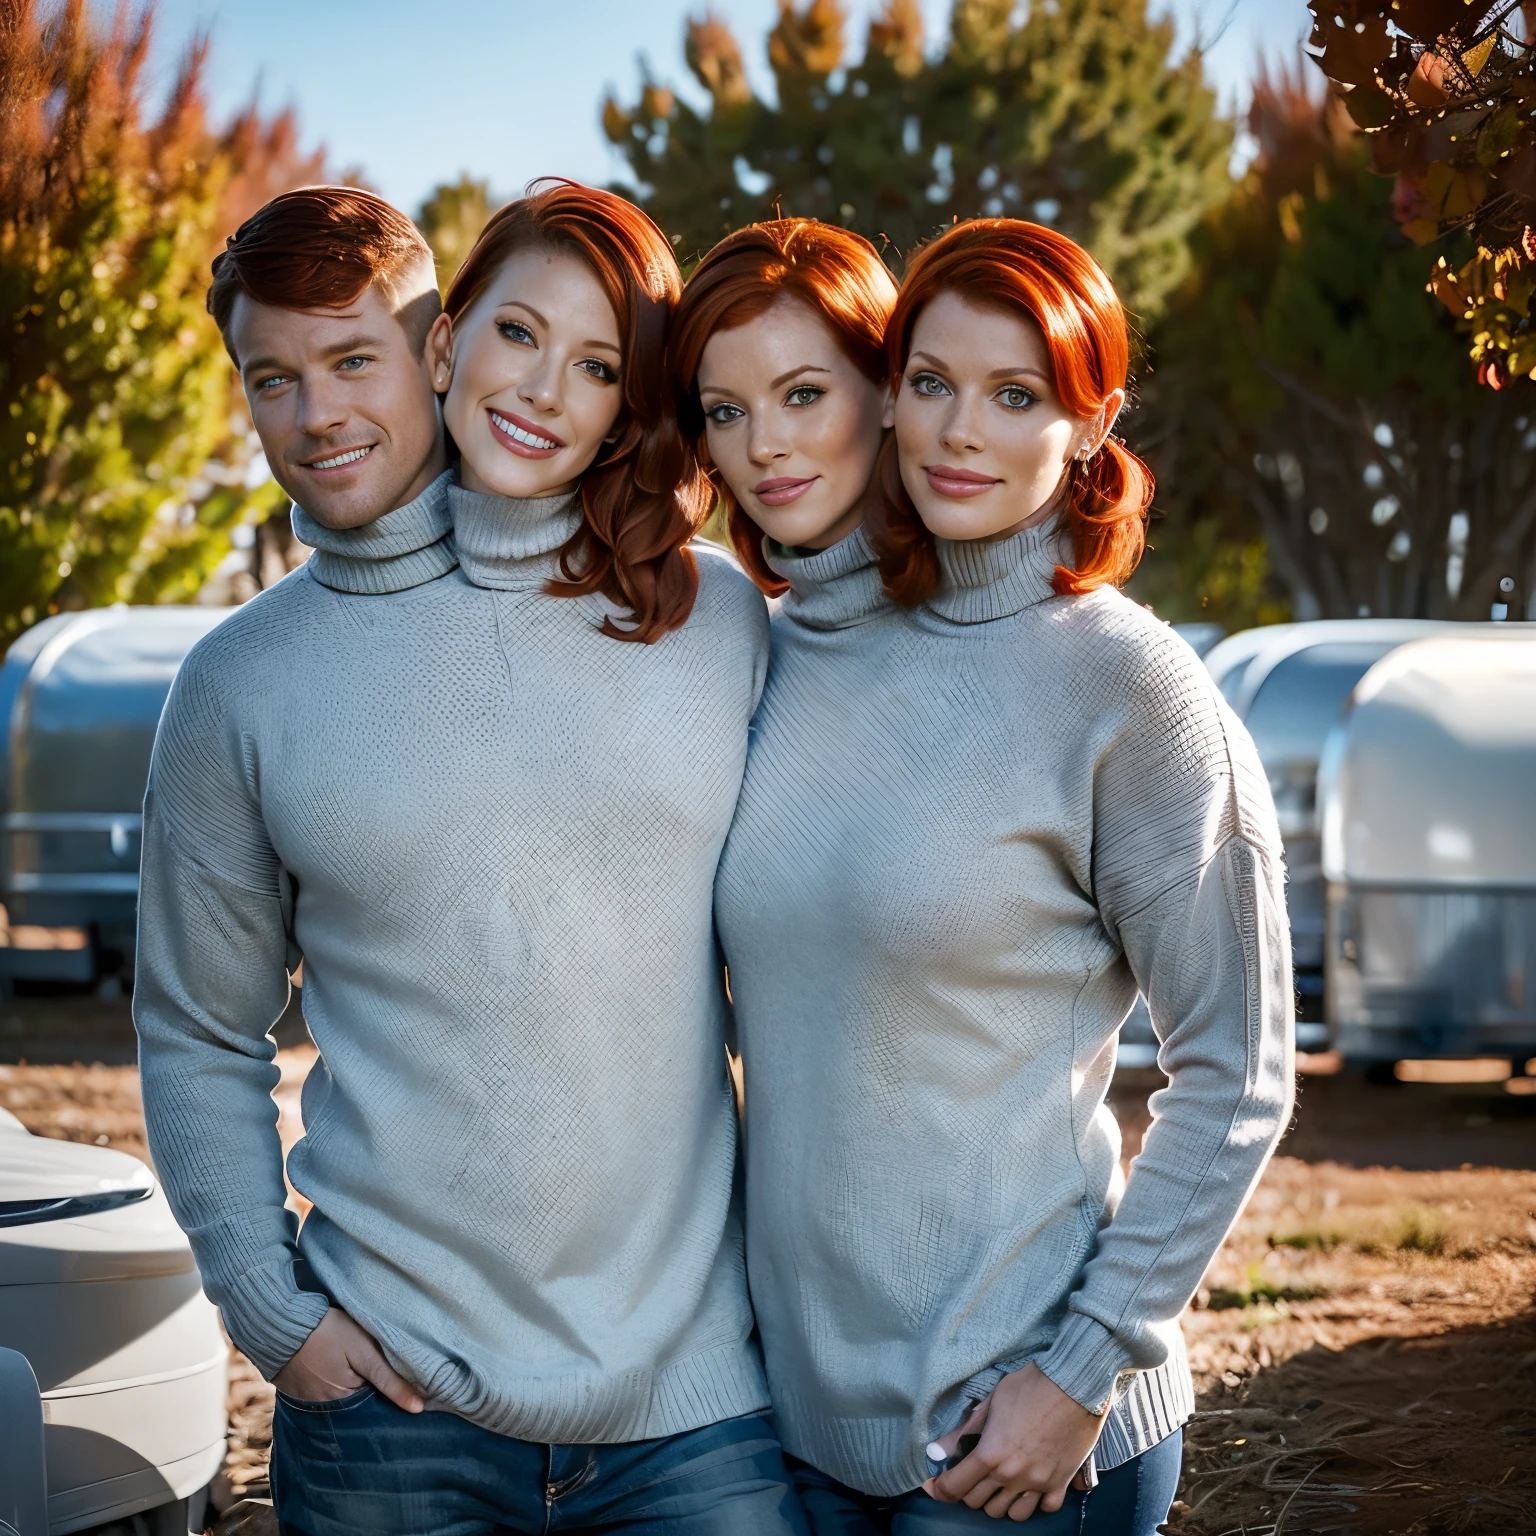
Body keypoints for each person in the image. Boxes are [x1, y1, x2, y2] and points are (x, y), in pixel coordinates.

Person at [135, 182, 806, 1535]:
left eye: (350, 361)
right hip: (390, 1417)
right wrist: (275, 1318)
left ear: (424, 348)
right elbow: (199, 1029)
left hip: (695, 1410)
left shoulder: (712, 622)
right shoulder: (236, 686)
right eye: (275, 378)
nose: (319, 416)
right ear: (467, 352)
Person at [714, 217, 1294, 1533]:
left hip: (1017, 1434)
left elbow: (1239, 1071)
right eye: (931, 383)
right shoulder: (789, 657)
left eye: (1017, 394)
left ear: (1092, 426)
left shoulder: (1129, 687)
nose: (959, 431)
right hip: (795, 1428)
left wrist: (1084, 1372)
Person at [668, 219, 896, 596]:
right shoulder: (736, 630)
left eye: (803, 395)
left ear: (891, 388)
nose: (761, 447)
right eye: (726, 411)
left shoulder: (1011, 632)